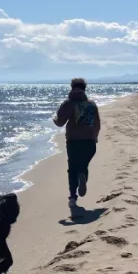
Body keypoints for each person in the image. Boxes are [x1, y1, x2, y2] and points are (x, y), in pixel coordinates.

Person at [53, 78, 100, 207]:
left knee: (72, 168)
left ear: (72, 88)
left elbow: (60, 122)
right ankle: (82, 176)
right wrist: (95, 137)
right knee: (83, 165)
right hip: (90, 142)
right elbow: (97, 123)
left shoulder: (69, 103)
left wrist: (54, 119)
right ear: (85, 89)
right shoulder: (91, 104)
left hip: (73, 141)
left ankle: (73, 197)